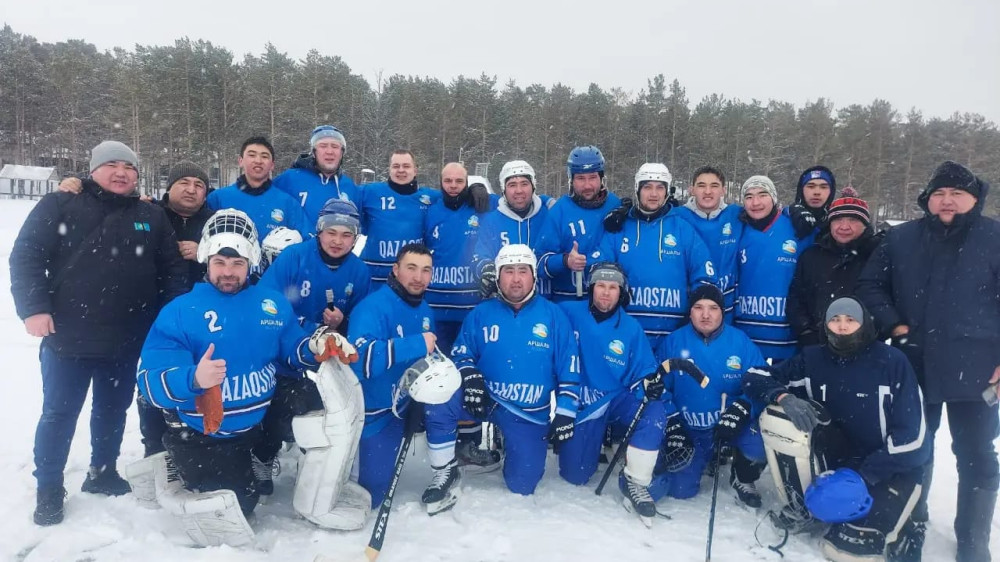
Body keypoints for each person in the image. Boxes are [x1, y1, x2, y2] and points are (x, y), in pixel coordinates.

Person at [136, 209, 361, 545]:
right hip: (206, 431)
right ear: (206, 261)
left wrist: (316, 342)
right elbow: (149, 381)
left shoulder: (269, 304)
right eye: (220, 263)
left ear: (251, 262)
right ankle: (174, 459)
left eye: (238, 263)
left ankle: (261, 455)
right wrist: (192, 379)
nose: (229, 272)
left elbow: (290, 349)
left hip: (255, 422)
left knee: (306, 394)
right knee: (243, 506)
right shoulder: (181, 311)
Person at [9, 140, 189, 526]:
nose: (121, 172)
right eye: (112, 165)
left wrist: (171, 320)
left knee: (112, 409)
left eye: (129, 167)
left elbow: (171, 269)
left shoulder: (150, 215)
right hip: (68, 336)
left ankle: (102, 470)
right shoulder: (61, 204)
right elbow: (26, 254)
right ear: (93, 170)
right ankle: (49, 487)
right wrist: (34, 308)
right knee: (59, 414)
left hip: (127, 338)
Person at [857, 161, 1000, 562]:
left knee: (977, 452)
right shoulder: (902, 238)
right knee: (914, 448)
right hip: (913, 364)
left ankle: (973, 538)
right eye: (939, 193)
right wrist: (895, 326)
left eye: (956, 193)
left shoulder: (994, 237)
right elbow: (870, 285)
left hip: (979, 369)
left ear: (975, 198)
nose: (947, 200)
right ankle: (911, 522)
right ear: (927, 200)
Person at [744, 297, 930, 562]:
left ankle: (907, 522)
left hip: (887, 468)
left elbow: (915, 441)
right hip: (836, 461)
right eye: (835, 319)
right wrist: (783, 397)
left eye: (850, 320)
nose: (842, 326)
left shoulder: (892, 362)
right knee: (779, 419)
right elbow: (754, 376)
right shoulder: (813, 358)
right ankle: (806, 505)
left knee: (849, 552)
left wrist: (864, 476)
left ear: (864, 323)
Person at [422, 244, 580, 514]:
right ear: (497, 276)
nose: (516, 279)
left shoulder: (555, 317)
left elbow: (570, 369)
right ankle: (444, 469)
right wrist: (470, 376)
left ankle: (512, 445)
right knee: (439, 394)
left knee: (523, 484)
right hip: (485, 397)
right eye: (508, 271)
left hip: (526, 411)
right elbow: (462, 353)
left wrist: (565, 412)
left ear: (533, 276)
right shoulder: (481, 313)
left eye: (522, 271)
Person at [253, 198, 372, 492]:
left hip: (327, 357)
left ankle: (315, 466)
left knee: (324, 414)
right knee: (278, 407)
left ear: (355, 238)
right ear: (319, 231)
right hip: (286, 352)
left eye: (347, 235)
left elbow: (361, 320)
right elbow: (266, 305)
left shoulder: (359, 271)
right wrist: (311, 330)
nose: (337, 241)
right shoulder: (294, 258)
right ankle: (263, 456)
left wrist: (341, 323)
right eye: (331, 232)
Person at [557, 262, 683, 525]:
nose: (606, 292)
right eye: (601, 286)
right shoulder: (566, 312)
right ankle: (611, 439)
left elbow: (644, 369)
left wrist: (651, 381)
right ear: (591, 288)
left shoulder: (630, 327)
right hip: (584, 405)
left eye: (613, 287)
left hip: (616, 398)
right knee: (575, 475)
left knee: (653, 409)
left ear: (621, 292)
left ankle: (636, 481)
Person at [648, 285, 767, 507]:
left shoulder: (740, 342)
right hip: (690, 429)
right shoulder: (673, 342)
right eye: (698, 307)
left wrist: (743, 409)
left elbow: (761, 385)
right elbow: (657, 387)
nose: (705, 315)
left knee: (761, 441)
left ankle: (743, 476)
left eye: (713, 308)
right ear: (690, 311)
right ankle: (703, 459)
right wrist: (673, 422)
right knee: (680, 490)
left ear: (722, 311)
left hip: (729, 426)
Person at [347, 243, 438, 506]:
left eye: (425, 270)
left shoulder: (425, 310)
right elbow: (359, 362)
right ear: (396, 270)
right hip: (372, 415)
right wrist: (416, 343)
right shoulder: (372, 308)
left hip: (402, 407)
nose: (418, 277)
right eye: (411, 268)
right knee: (371, 498)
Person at [599, 163, 717, 349]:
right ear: (637, 189)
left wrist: (693, 317)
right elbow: (598, 272)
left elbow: (705, 277)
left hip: (675, 335)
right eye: (647, 187)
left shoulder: (682, 228)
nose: (654, 194)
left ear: (667, 192)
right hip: (628, 334)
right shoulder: (620, 227)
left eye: (659, 187)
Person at [787, 188, 881, 348]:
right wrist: (805, 332)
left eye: (852, 220)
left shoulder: (877, 256)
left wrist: (872, 334)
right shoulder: (811, 256)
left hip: (865, 347)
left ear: (865, 225)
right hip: (817, 344)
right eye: (838, 220)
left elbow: (885, 301)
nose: (844, 226)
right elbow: (796, 298)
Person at [538, 146, 621, 302]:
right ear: (571, 180)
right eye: (581, 178)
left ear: (602, 178)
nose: (587, 185)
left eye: (593, 177)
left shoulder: (616, 206)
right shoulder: (559, 211)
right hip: (567, 303)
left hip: (608, 304)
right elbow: (539, 263)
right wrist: (565, 261)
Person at [734, 175, 799, 361]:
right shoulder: (738, 228)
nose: (755, 202)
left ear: (774, 197)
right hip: (747, 335)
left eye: (762, 195)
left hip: (787, 338)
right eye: (748, 196)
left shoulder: (795, 226)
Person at [474, 160, 560, 298]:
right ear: (503, 190)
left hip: (545, 301)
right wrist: (486, 269)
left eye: (524, 184)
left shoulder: (549, 215)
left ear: (533, 186)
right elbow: (480, 255)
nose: (519, 191)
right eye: (512, 185)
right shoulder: (492, 221)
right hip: (504, 303)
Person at [356, 150, 441, 288]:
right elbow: (339, 191)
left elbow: (458, 199)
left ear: (415, 170)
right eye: (396, 166)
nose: (401, 170)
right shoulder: (370, 192)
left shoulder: (431, 197)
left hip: (411, 281)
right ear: (389, 169)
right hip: (373, 279)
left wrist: (475, 190)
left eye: (406, 166)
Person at [673, 166, 743, 320]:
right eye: (701, 185)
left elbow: (768, 214)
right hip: (688, 308)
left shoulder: (737, 215)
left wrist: (792, 211)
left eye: (714, 186)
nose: (708, 191)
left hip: (727, 309)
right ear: (691, 189)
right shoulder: (676, 216)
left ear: (724, 190)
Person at [207, 136, 310, 240]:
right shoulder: (218, 199)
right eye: (252, 155)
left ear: (272, 165)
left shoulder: (288, 203)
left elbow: (306, 242)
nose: (258, 160)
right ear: (240, 161)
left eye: (264, 156)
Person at [273, 125, 361, 223]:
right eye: (323, 146)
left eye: (335, 146)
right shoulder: (290, 179)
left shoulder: (349, 187)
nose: (329, 151)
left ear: (342, 153)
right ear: (314, 152)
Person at [785, 165, 837, 247]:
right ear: (801, 190)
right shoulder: (785, 217)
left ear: (831, 191)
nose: (817, 192)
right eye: (811, 186)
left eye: (823, 187)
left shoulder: (838, 224)